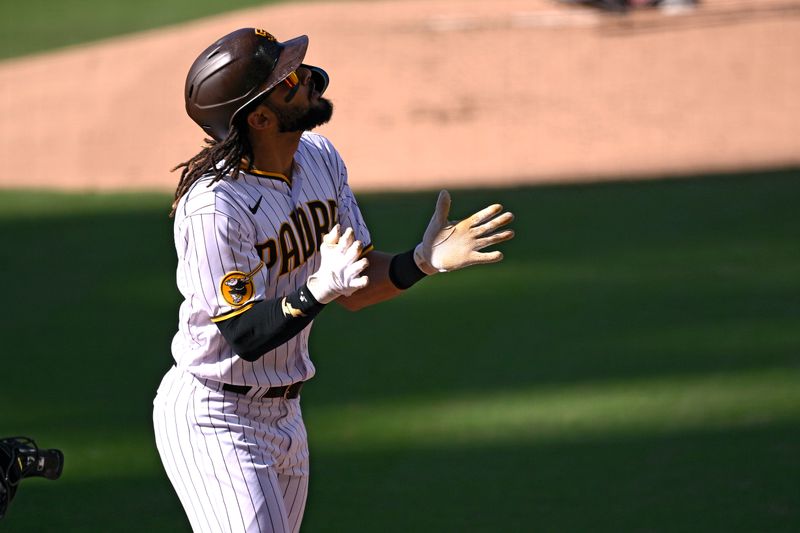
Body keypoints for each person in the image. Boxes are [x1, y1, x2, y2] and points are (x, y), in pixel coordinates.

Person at [152, 27, 515, 533]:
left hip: (285, 414)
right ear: (258, 117)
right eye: (287, 81)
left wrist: (422, 260)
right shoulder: (215, 208)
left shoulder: (320, 159)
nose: (306, 80)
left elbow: (358, 285)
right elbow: (244, 334)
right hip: (216, 415)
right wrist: (317, 289)